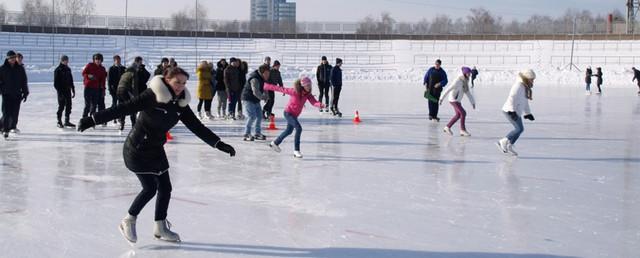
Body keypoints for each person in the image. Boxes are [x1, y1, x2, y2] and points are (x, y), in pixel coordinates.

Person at [76, 67, 236, 244]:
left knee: (165, 188)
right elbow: (124, 108)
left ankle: (160, 227)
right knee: (150, 188)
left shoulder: (180, 103)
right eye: (177, 82)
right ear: (167, 80)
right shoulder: (152, 96)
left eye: (183, 83)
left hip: (156, 149)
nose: (180, 87)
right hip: (137, 149)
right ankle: (128, 220)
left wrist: (218, 143)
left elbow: (196, 126)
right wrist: (92, 120)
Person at [265, 77, 324, 158]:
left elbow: (314, 102)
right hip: (288, 113)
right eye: (307, 85)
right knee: (298, 128)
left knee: (289, 131)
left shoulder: (307, 95)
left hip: (294, 115)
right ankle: (296, 150)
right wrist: (266, 86)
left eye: (310, 85)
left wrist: (320, 105)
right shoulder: (294, 91)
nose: (309, 87)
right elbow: (280, 89)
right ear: (303, 86)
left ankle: (275, 143)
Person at [497, 69, 536, 156]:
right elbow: (511, 97)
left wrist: (528, 113)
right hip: (509, 111)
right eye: (532, 79)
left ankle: (510, 145)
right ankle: (503, 141)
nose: (533, 81)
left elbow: (525, 102)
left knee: (520, 129)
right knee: (518, 129)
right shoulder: (518, 85)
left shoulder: (525, 87)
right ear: (527, 78)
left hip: (516, 112)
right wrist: (511, 111)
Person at [117, 56, 151, 132]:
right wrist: (135, 97)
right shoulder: (134, 73)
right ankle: (133, 125)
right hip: (126, 91)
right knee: (132, 107)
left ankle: (122, 123)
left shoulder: (126, 72)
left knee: (123, 107)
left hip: (119, 91)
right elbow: (134, 86)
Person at [439, 67, 476, 137]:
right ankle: (462, 130)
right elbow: (448, 89)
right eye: (468, 73)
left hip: (457, 100)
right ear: (465, 73)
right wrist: (441, 99)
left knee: (458, 115)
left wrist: (473, 102)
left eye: (470, 73)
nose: (470, 74)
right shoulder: (458, 81)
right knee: (463, 113)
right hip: (453, 99)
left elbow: (468, 93)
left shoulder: (465, 81)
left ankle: (447, 127)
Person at [0, 50, 29, 138]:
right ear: (8, 59)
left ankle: (11, 126)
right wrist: (1, 90)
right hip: (6, 94)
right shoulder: (2, 68)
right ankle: (5, 130)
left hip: (17, 94)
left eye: (14, 57)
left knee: (14, 113)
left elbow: (24, 81)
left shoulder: (20, 69)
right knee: (6, 113)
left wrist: (25, 92)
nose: (13, 59)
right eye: (11, 58)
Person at [241, 64, 270, 141]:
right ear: (262, 72)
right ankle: (246, 134)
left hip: (255, 99)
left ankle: (257, 133)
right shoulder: (255, 78)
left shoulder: (262, 78)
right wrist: (263, 97)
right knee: (252, 116)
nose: (268, 75)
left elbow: (265, 88)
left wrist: (266, 96)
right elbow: (255, 92)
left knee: (259, 116)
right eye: (266, 73)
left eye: (268, 73)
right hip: (248, 98)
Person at [82, 53, 107, 120]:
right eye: (96, 59)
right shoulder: (90, 65)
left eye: (99, 59)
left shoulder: (102, 68)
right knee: (87, 105)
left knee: (94, 106)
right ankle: (84, 118)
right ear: (94, 60)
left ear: (101, 60)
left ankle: (91, 120)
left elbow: (103, 80)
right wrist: (88, 76)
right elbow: (83, 73)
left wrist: (103, 90)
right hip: (88, 88)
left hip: (96, 89)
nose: (98, 61)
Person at [53, 55, 76, 128]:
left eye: (66, 60)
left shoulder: (68, 69)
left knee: (69, 106)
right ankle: (59, 121)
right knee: (61, 106)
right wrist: (60, 92)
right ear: (61, 61)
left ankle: (67, 121)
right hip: (61, 92)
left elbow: (71, 80)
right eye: (64, 60)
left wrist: (73, 89)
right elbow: (56, 83)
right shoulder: (58, 70)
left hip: (68, 91)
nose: (66, 61)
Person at [108, 55, 126, 125]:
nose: (118, 61)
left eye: (119, 60)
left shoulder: (123, 68)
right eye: (116, 60)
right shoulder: (111, 68)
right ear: (114, 61)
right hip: (114, 89)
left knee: (121, 104)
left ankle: (120, 118)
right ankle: (114, 117)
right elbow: (109, 80)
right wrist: (110, 89)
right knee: (114, 104)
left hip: (122, 89)